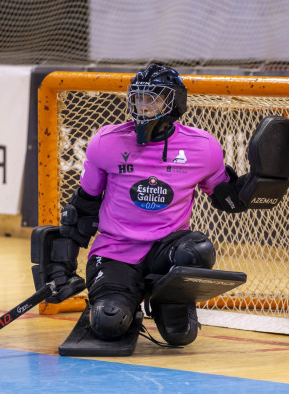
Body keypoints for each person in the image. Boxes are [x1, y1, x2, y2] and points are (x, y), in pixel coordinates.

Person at [49, 63, 259, 347]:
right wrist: (61, 265)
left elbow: (227, 199)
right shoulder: (106, 142)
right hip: (115, 252)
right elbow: (81, 208)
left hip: (166, 251)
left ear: (174, 101)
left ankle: (167, 298)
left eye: (153, 97)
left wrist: (263, 180)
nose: (143, 105)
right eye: (138, 97)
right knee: (108, 323)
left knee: (198, 252)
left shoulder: (202, 147)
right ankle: (125, 297)